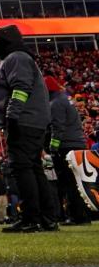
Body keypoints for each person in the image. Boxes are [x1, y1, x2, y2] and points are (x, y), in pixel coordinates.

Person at [0, 26, 56, 233]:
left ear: (6, 40)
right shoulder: (18, 58)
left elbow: (20, 88)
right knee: (34, 167)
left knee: (22, 168)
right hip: (32, 121)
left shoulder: (15, 58)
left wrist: (12, 116)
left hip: (24, 121)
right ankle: (46, 218)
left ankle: (31, 218)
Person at [45, 77, 91, 225]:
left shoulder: (55, 104)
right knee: (77, 183)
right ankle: (83, 216)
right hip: (78, 144)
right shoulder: (65, 99)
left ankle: (77, 217)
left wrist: (53, 147)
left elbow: (57, 127)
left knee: (69, 183)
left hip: (67, 146)